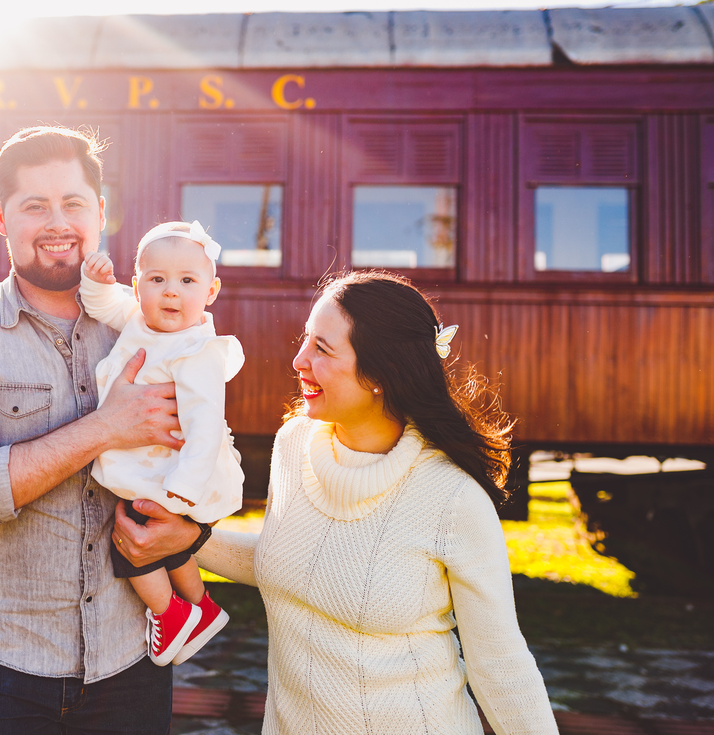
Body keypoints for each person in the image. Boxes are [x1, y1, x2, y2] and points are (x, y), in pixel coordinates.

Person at [123, 269, 559, 735]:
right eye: (305, 339)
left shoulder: (451, 498)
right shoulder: (293, 444)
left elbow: (502, 665)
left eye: (322, 349)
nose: (298, 360)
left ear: (380, 374)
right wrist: (192, 540)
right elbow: (295, 564)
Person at [0, 126, 204, 735]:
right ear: (1, 216)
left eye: (73, 203)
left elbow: (195, 449)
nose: (58, 221)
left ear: (101, 211)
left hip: (131, 657)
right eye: (34, 205)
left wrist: (190, 528)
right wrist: (104, 429)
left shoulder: (148, 323)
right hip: (4, 660)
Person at [80, 220, 245, 667]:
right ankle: (203, 607)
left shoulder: (198, 352)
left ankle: (169, 614)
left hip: (175, 471)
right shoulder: (137, 318)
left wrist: (184, 486)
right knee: (167, 544)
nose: (171, 292)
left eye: (187, 281)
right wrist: (94, 280)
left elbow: (206, 427)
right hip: (149, 465)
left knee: (133, 540)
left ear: (211, 292)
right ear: (138, 287)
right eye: (157, 280)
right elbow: (103, 304)